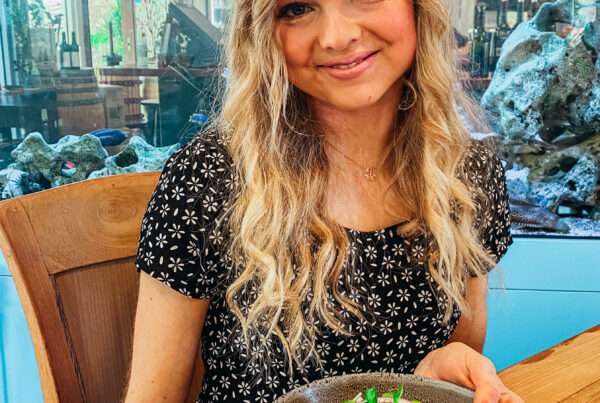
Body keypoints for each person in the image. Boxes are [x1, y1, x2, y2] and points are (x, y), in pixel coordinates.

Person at [124, 0, 523, 402]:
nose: (337, 37)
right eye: (297, 9)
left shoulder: (466, 171)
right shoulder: (211, 177)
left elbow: (447, 368)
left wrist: (440, 372)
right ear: (263, 32)